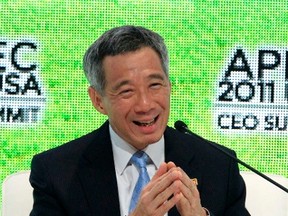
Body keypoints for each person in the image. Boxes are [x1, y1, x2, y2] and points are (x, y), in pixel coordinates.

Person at [29, 25, 250, 216]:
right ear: (98, 101)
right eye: (126, 91)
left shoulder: (219, 165)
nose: (145, 105)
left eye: (155, 85)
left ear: (169, 86)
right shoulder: (56, 173)